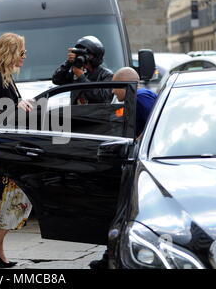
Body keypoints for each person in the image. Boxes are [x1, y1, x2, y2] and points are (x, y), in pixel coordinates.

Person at [89, 66, 157, 270]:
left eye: (115, 87)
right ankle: (111, 254)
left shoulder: (141, 99)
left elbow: (152, 127)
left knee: (122, 212)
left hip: (139, 165)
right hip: (139, 162)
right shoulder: (141, 97)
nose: (112, 92)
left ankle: (112, 255)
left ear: (125, 85)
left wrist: (138, 142)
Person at [0, 33, 35, 268]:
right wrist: (15, 105)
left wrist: (23, 105)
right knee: (10, 196)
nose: (24, 56)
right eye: (22, 52)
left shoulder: (8, 78)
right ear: (10, 52)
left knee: (14, 196)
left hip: (8, 142)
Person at [52, 35, 114, 104]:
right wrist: (68, 62)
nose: (83, 58)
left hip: (97, 114)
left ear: (96, 56)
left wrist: (81, 77)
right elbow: (56, 79)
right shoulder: (76, 74)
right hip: (76, 113)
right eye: (80, 55)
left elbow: (104, 98)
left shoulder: (106, 75)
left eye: (87, 55)